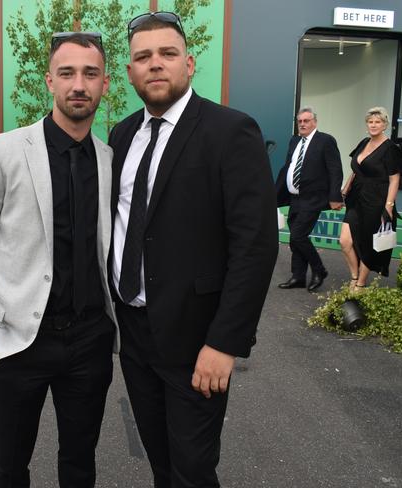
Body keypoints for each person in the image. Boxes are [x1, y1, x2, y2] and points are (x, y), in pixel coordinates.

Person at [109, 12, 278, 487]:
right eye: (143, 57)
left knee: (193, 470)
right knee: (161, 461)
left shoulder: (230, 132)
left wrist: (225, 342)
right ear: (129, 72)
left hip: (195, 342)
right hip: (135, 333)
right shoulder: (122, 135)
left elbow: (256, 246)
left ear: (189, 62)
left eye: (166, 54)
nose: (155, 64)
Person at [0, 33, 117, 488]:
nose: (78, 84)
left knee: (81, 463)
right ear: (50, 81)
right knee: (10, 464)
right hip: (17, 343)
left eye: (89, 74)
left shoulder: (110, 160)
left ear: (105, 83)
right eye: (67, 73)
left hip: (89, 342)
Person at [276, 107, 343, 292]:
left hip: (313, 198)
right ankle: (298, 277)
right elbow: (288, 167)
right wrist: (275, 193)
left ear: (314, 122)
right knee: (295, 238)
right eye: (300, 121)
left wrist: (335, 196)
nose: (303, 124)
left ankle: (319, 269)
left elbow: (335, 169)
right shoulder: (295, 140)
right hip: (295, 198)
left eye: (306, 121)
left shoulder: (326, 141)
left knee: (298, 236)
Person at [339, 107, 402, 290]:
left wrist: (389, 206)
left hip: (377, 199)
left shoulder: (391, 149)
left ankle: (360, 283)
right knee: (345, 241)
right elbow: (356, 170)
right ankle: (354, 275)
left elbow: (394, 179)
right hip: (356, 197)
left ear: (385, 125)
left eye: (378, 122)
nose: (373, 125)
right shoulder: (364, 142)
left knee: (368, 243)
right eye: (370, 122)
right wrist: (344, 190)